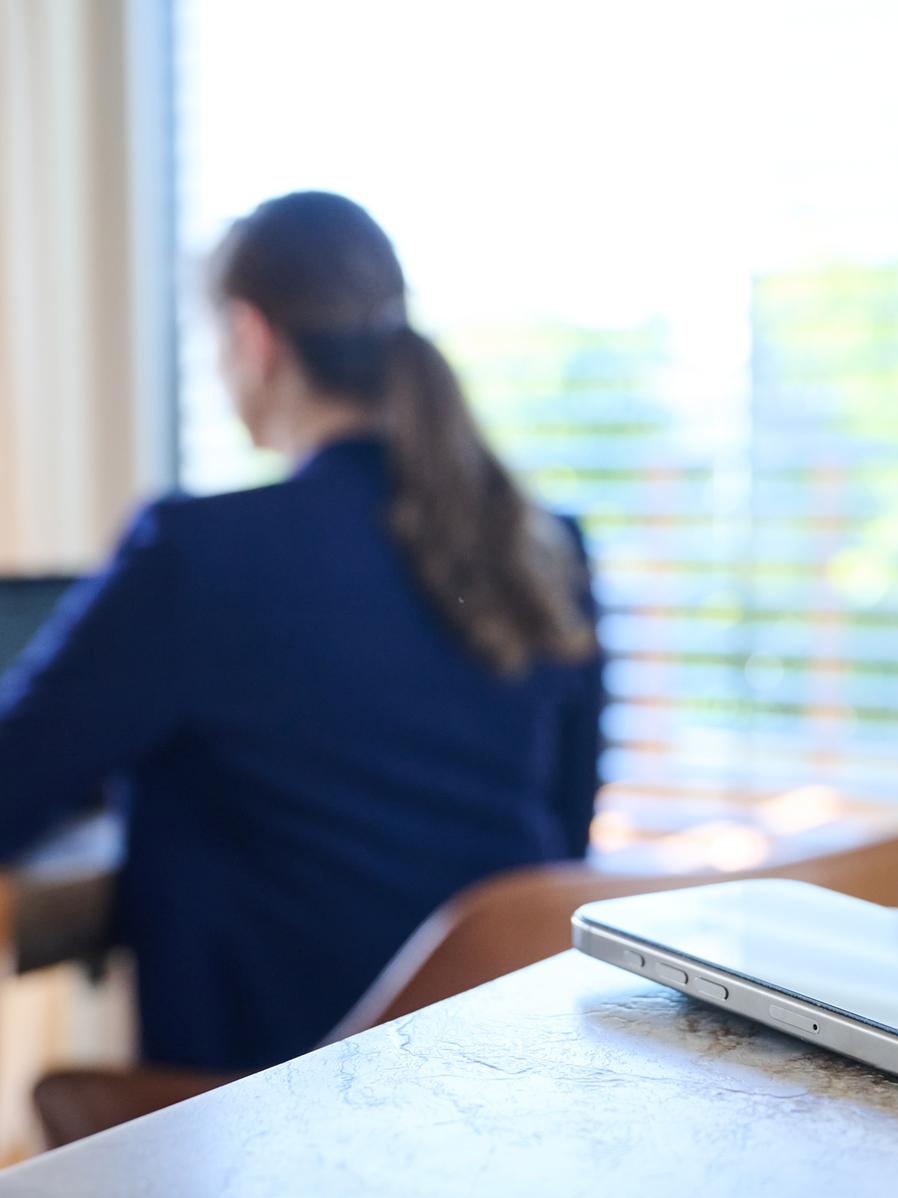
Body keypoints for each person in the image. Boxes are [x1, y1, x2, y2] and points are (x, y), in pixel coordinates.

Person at [0, 191, 603, 1073]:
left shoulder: (197, 553)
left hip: (266, 1118)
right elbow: (565, 838)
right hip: (503, 1083)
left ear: (251, 336)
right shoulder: (544, 546)